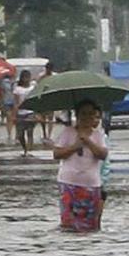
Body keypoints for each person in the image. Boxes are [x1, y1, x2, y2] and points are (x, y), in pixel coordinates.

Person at [50, 99, 109, 233]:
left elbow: (103, 155)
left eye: (90, 114)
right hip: (68, 183)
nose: (87, 117)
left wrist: (88, 141)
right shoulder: (68, 132)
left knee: (90, 225)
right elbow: (57, 154)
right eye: (83, 114)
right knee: (68, 223)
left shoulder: (98, 135)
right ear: (77, 115)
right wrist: (75, 146)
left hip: (92, 184)